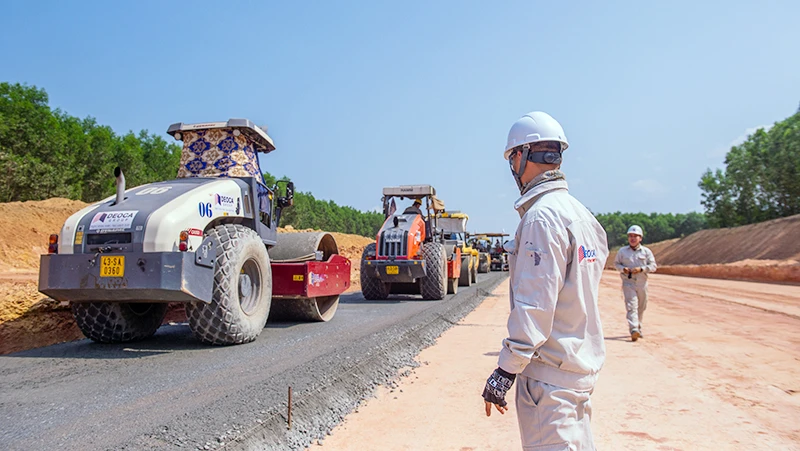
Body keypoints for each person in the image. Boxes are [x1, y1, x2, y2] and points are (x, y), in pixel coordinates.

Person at [482, 111, 609, 450]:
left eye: (512, 159)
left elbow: (535, 304)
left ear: (521, 156)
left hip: (549, 383)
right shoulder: (582, 216)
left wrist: (505, 371)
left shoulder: (541, 218)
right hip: (577, 374)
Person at [613, 225, 657, 341]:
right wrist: (623, 269)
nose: (632, 238)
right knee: (631, 306)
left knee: (641, 307)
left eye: (635, 236)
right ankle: (633, 329)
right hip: (628, 283)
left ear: (640, 238)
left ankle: (638, 327)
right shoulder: (622, 252)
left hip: (642, 283)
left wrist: (641, 269)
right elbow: (616, 264)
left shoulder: (646, 252)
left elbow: (653, 266)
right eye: (630, 236)